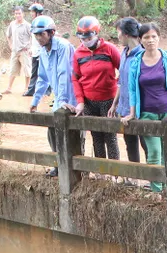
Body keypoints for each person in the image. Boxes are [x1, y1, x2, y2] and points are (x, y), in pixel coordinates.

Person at [121, 23, 167, 192]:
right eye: (146, 37)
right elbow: (132, 89)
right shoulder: (136, 62)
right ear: (140, 40)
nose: (150, 40)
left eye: (153, 36)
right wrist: (132, 112)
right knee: (154, 152)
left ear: (159, 38)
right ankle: (156, 190)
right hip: (147, 113)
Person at [29, 16, 80, 177]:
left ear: (51, 33)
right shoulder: (43, 52)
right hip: (59, 98)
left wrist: (64, 100)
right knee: (52, 130)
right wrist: (35, 100)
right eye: (36, 35)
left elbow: (64, 73)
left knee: (73, 133)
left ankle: (76, 170)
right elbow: (42, 78)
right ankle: (58, 164)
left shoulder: (63, 46)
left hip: (72, 96)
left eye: (42, 34)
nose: (39, 38)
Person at [71, 16, 121, 162]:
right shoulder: (78, 53)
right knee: (96, 137)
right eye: (83, 39)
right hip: (89, 101)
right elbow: (75, 78)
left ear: (96, 34)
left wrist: (117, 90)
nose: (86, 41)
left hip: (108, 100)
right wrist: (80, 101)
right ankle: (100, 170)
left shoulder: (109, 49)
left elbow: (123, 71)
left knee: (110, 136)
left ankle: (114, 169)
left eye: (89, 38)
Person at [110, 17, 147, 167]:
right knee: (130, 144)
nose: (117, 36)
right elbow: (121, 81)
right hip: (125, 108)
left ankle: (152, 178)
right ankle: (134, 176)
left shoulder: (143, 54)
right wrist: (115, 104)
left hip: (140, 109)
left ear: (126, 34)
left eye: (118, 32)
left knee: (147, 144)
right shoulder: (124, 53)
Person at [4, 7, 33, 95]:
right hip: (15, 51)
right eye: (16, 13)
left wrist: (31, 48)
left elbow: (33, 37)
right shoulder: (12, 24)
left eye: (19, 13)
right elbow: (8, 35)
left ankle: (26, 89)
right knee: (12, 70)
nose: (17, 15)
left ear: (23, 14)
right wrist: (10, 45)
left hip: (24, 51)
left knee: (27, 71)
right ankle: (9, 88)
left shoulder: (27, 25)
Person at [26, 3, 45, 97]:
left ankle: (46, 91)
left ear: (37, 12)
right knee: (34, 72)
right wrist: (31, 48)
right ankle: (31, 90)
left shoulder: (43, 22)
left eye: (32, 12)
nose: (31, 13)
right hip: (35, 51)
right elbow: (32, 38)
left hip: (42, 51)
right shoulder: (34, 23)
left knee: (44, 72)